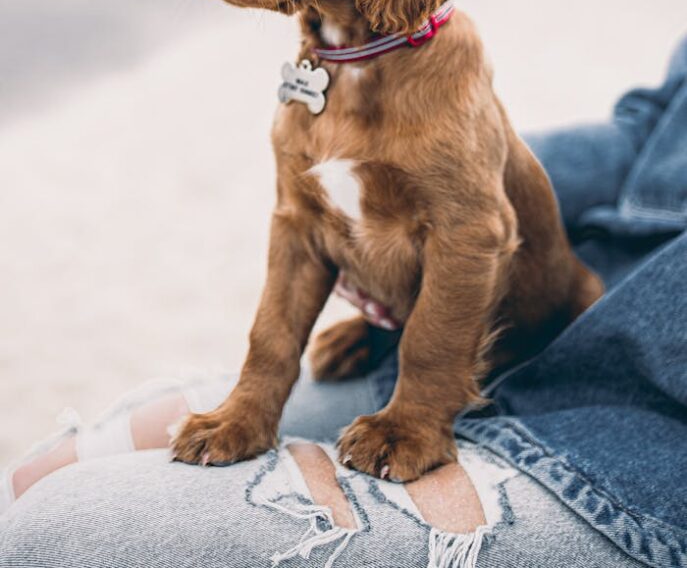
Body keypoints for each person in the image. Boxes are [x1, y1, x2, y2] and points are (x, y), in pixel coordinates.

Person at [1, 37, 686, 568]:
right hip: (554, 319)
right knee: (46, 472)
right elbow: (647, 130)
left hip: (645, 426)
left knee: (64, 528)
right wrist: (433, 178)